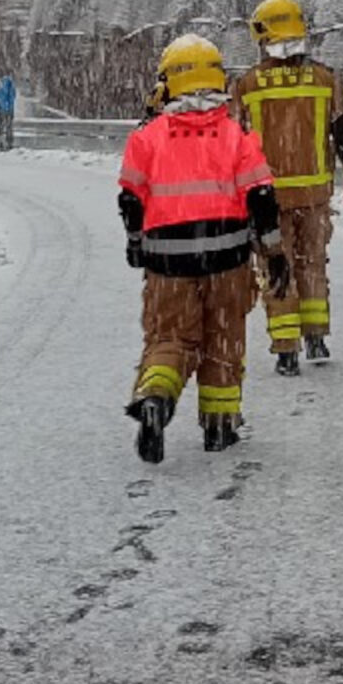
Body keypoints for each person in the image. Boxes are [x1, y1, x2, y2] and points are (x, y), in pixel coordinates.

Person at [117, 35, 290, 460]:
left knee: (169, 338)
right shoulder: (236, 135)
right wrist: (274, 252)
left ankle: (156, 396)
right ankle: (219, 425)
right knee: (223, 341)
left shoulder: (147, 137)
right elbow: (262, 199)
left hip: (167, 263)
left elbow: (130, 200)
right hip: (227, 260)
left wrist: (136, 243)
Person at [231, 0, 343, 374]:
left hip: (267, 199)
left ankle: (286, 350)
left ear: (263, 37)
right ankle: (316, 337)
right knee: (312, 265)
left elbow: (235, 144)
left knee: (276, 267)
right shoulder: (324, 79)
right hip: (314, 195)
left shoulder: (247, 85)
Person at [0, 71, 18, 150]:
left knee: (0, 126)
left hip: (2, 110)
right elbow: (14, 97)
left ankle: (1, 143)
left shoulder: (1, 89)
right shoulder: (12, 89)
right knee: (9, 127)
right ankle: (9, 143)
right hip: (10, 111)